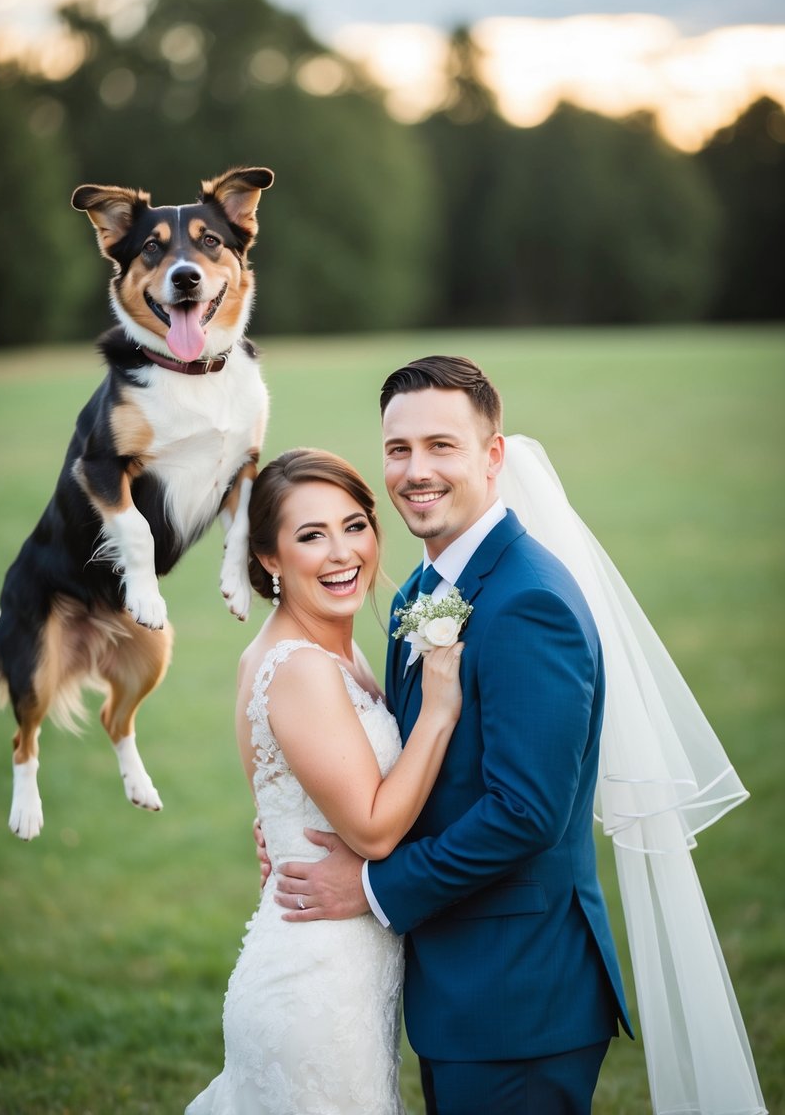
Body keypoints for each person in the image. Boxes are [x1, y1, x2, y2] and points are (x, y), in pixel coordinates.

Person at [275, 357, 767, 1115]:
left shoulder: (527, 602)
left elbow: (525, 813)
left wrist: (371, 886)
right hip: (461, 986)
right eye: (398, 449)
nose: (415, 471)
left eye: (442, 446)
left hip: (519, 996)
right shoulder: (421, 588)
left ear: (493, 456)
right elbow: (420, 767)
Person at [185, 448, 463, 1115]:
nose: (342, 553)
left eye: (353, 524)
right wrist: (439, 709)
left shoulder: (335, 646)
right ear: (270, 559)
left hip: (345, 974)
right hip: (314, 988)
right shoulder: (301, 666)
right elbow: (370, 828)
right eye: (311, 536)